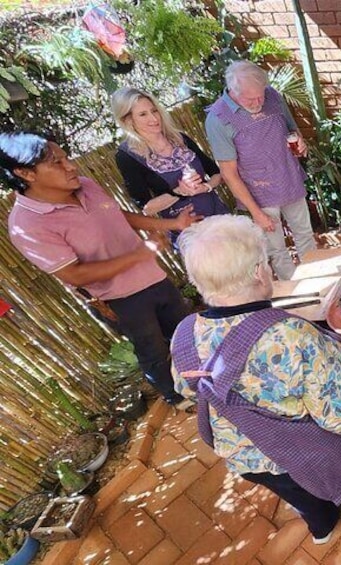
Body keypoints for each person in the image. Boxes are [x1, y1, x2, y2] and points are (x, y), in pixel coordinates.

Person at [170, 214, 341, 557]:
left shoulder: (184, 333)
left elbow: (187, 390)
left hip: (247, 456)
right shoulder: (291, 335)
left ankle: (322, 526)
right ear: (260, 271)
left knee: (297, 491)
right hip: (315, 452)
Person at [1, 132, 198, 407]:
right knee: (152, 350)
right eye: (56, 163)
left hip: (153, 277)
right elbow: (75, 274)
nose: (70, 166)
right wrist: (140, 253)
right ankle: (176, 396)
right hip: (119, 299)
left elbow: (118, 216)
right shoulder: (27, 225)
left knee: (185, 330)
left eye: (66, 157)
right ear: (25, 173)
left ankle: (203, 381)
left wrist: (172, 225)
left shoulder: (86, 185)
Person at [205, 60, 316, 280]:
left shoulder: (272, 95)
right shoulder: (218, 119)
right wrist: (255, 212)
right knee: (276, 249)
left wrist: (300, 142)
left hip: (289, 179)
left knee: (305, 235)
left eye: (261, 96)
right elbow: (229, 173)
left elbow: (292, 129)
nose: (258, 102)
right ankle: (296, 291)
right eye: (250, 98)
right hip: (260, 194)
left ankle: (319, 280)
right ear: (233, 91)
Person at [112, 87, 229, 244]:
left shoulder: (179, 138)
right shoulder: (127, 156)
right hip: (190, 233)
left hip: (220, 217)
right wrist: (179, 192)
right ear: (128, 120)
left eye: (154, 111)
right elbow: (147, 208)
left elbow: (217, 174)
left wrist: (206, 187)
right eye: (143, 114)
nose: (154, 118)